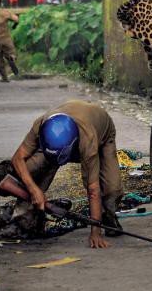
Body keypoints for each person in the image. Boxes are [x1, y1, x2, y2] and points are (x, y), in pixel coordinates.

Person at [11, 101, 123, 249]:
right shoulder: (41, 125)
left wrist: (95, 231)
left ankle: (107, 216)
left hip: (102, 132)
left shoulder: (87, 141)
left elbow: (93, 190)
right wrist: (33, 189)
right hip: (58, 143)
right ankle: (27, 210)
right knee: (29, 168)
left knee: (111, 188)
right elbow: (17, 158)